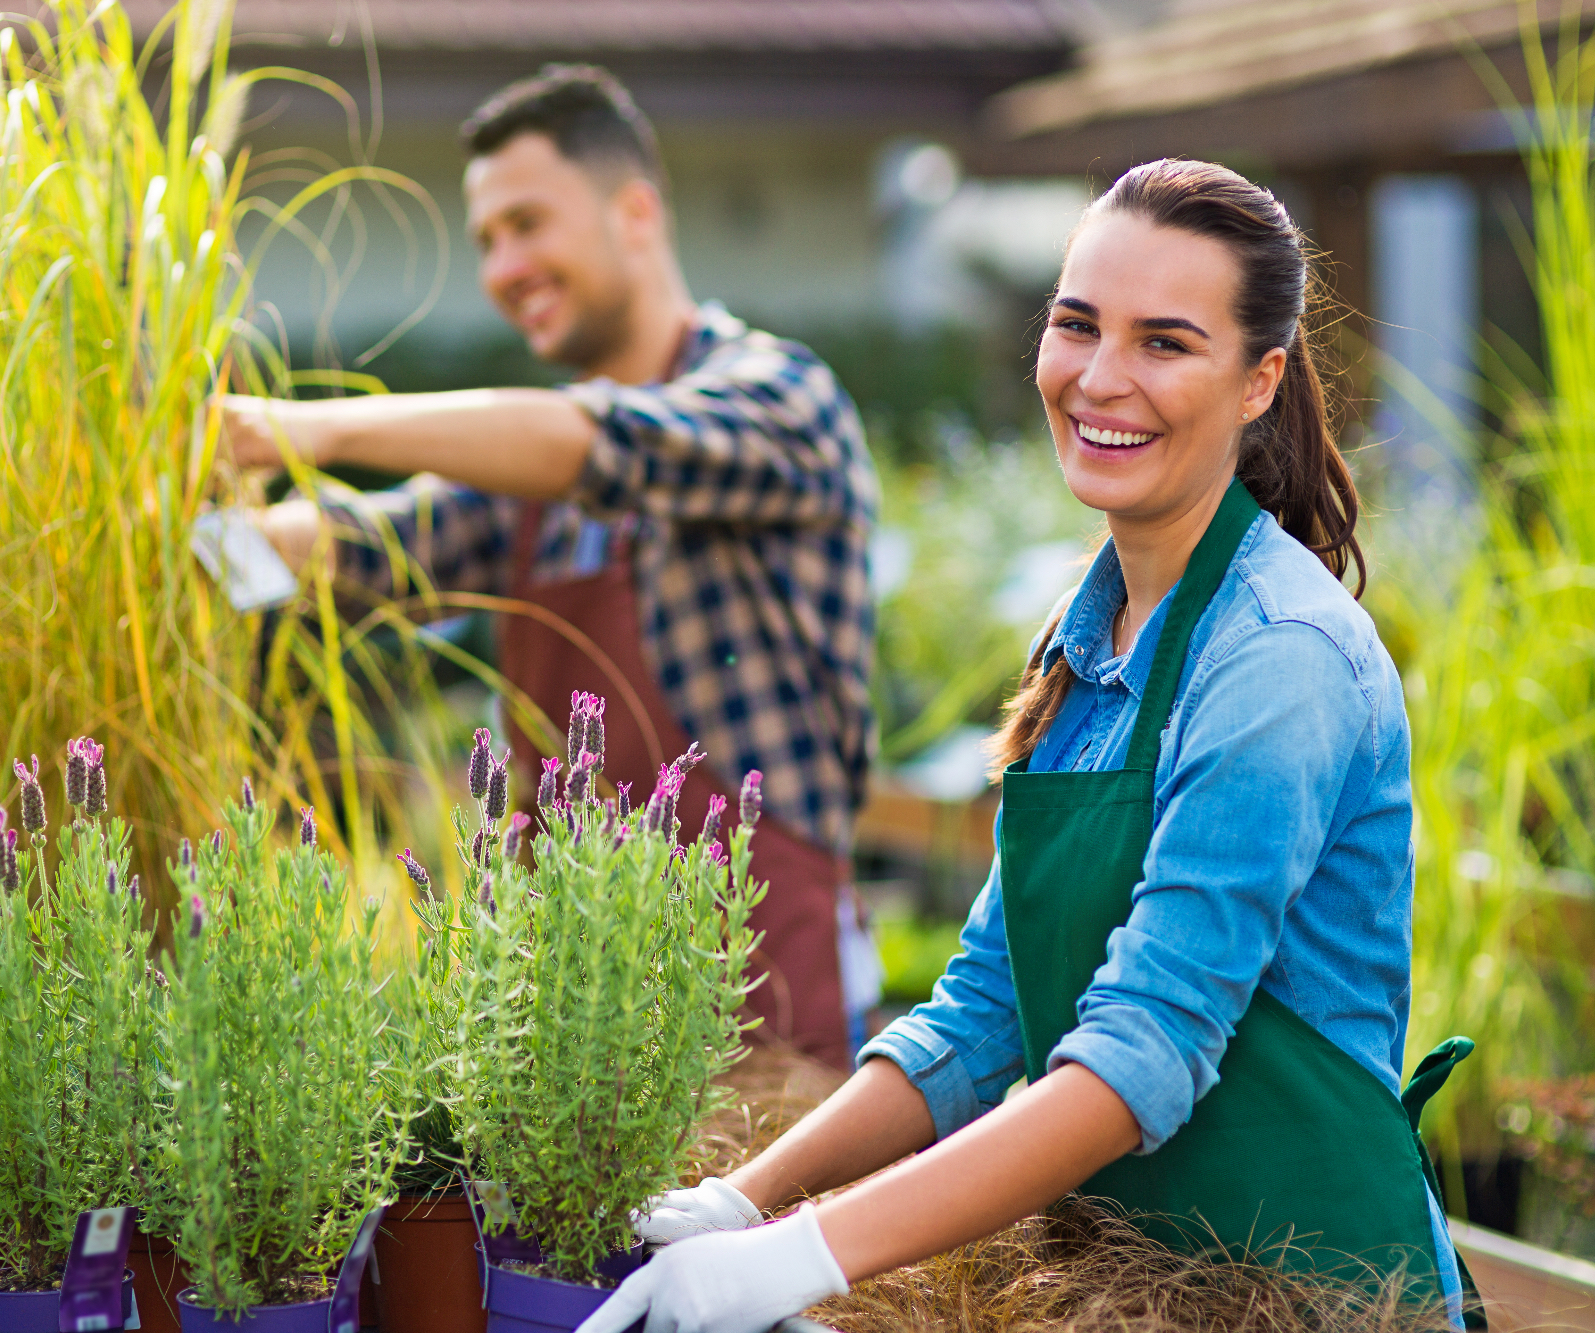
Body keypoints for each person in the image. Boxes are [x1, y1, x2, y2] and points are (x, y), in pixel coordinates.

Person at [578, 159, 1480, 1333]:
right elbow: (981, 1009)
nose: (1099, 379)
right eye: (1075, 325)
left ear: (1259, 381)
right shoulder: (1085, 633)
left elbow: (1141, 1052)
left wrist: (801, 1257)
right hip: (1133, 1279)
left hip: (1310, 1296)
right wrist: (737, 1202)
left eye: (1164, 342)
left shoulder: (1278, 657)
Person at [215, 65, 877, 1069]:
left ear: (636, 211)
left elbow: (599, 442)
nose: (503, 265)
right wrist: (186, 533)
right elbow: (366, 546)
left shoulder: (778, 396)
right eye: (485, 240)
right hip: (570, 1005)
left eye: (527, 223)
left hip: (756, 978)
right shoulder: (521, 482)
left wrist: (289, 428)